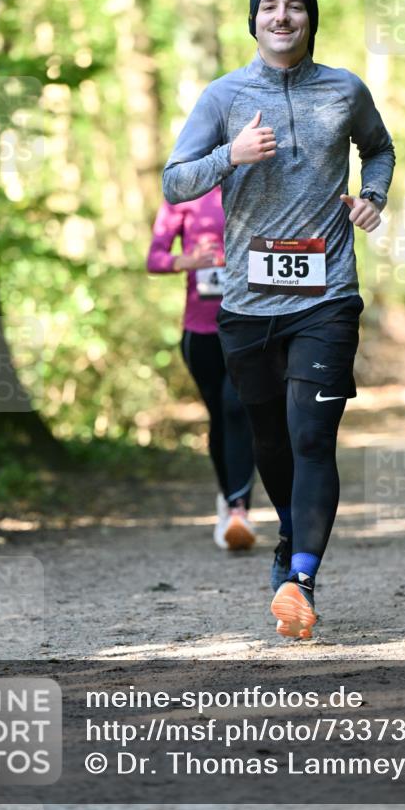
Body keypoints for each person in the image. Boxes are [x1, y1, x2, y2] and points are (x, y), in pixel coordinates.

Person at [162, 0, 395, 639]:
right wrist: (228, 156)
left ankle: (299, 576)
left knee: (311, 436)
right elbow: (175, 182)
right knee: (268, 439)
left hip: (326, 295)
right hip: (246, 300)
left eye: (295, 6)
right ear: (253, 21)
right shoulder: (223, 96)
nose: (282, 15)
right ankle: (290, 533)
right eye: (269, 6)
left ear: (310, 20)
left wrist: (371, 197)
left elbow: (377, 150)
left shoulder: (344, 89)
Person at [147, 188, 257, 550]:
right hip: (201, 333)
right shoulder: (184, 194)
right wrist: (187, 260)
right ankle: (228, 500)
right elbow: (155, 258)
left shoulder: (256, 182)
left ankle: (239, 508)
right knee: (219, 416)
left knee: (235, 406)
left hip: (248, 327)